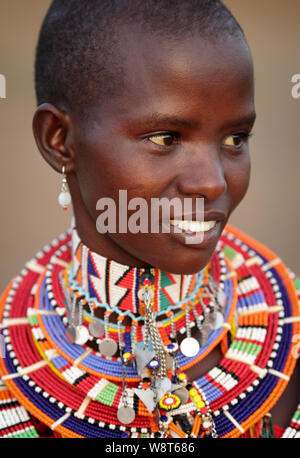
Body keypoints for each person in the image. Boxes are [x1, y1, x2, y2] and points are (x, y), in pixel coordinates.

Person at [0, 0, 299, 439]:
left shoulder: (289, 332)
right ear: (59, 140)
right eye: (165, 138)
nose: (212, 183)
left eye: (235, 138)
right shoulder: (11, 369)